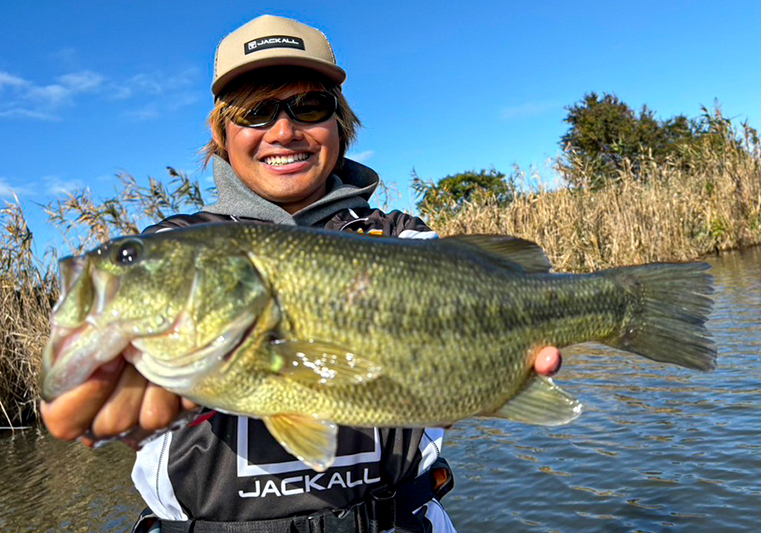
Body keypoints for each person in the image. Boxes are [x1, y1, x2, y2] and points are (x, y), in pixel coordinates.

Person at [40, 15, 563, 533]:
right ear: (223, 132)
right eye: (255, 112)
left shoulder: (403, 240)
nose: (284, 131)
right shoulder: (176, 242)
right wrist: (86, 380)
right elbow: (80, 371)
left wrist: (495, 379)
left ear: (342, 122)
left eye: (308, 106)